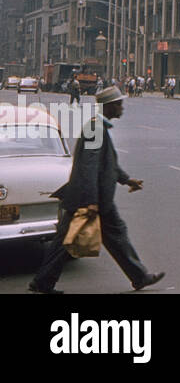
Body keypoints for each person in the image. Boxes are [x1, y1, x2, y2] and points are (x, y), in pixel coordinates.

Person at [29, 86, 165, 294]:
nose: (122, 108)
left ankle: (139, 276)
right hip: (90, 199)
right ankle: (42, 282)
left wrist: (127, 180)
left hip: (97, 199)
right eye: (119, 104)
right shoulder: (95, 129)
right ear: (109, 106)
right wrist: (90, 201)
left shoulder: (99, 128)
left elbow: (106, 164)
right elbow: (89, 167)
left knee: (112, 236)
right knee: (68, 241)